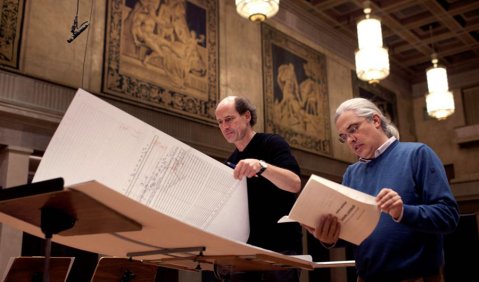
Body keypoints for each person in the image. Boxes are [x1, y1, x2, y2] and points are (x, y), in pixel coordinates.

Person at [304, 97, 459, 282]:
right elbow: (352, 233)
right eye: (344, 136)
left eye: (353, 129)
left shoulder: (418, 154)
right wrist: (328, 236)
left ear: (376, 121)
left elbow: (448, 216)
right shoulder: (352, 174)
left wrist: (402, 211)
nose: (350, 139)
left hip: (417, 277)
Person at [213, 95, 303, 282]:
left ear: (247, 116)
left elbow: (295, 183)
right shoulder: (231, 161)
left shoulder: (272, 143)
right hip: (245, 251)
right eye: (220, 122)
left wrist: (262, 166)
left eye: (229, 119)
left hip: (280, 247)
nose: (224, 127)